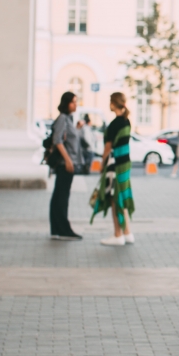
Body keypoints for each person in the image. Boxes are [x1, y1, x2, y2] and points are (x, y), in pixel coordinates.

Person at [90, 92, 135, 246]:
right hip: (126, 163)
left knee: (115, 198)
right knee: (122, 195)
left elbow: (108, 147)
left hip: (114, 164)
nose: (109, 104)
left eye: (110, 101)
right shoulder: (126, 121)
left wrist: (102, 164)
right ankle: (127, 232)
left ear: (114, 103)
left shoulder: (115, 123)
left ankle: (118, 234)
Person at [49, 90, 83, 240]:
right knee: (62, 196)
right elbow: (58, 141)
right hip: (65, 164)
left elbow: (68, 138)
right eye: (73, 102)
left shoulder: (68, 119)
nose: (76, 104)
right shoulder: (63, 118)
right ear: (66, 103)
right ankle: (63, 229)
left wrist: (77, 129)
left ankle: (57, 228)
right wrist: (68, 160)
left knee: (59, 195)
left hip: (68, 163)